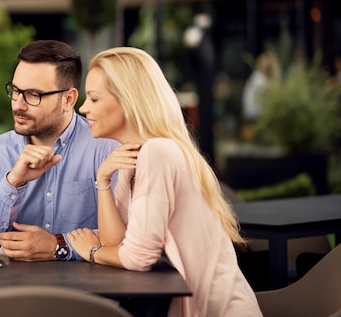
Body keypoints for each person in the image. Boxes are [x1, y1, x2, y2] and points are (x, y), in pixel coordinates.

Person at [67, 47, 263, 317]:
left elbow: (137, 258)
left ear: (128, 101)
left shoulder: (158, 152)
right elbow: (119, 244)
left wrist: (92, 251)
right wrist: (103, 179)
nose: (83, 108)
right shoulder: (136, 158)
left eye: (94, 98)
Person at [0, 40, 121, 261]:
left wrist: (58, 245)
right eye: (16, 91)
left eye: (33, 95)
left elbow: (125, 238)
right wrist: (13, 182)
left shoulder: (106, 148)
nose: (18, 104)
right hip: (14, 290)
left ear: (68, 99)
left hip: (88, 292)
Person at [241, 51, 272, 122]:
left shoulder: (258, 76)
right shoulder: (257, 77)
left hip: (254, 116)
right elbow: (268, 95)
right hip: (254, 118)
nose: (268, 65)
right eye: (266, 62)